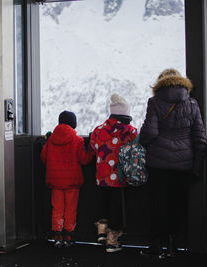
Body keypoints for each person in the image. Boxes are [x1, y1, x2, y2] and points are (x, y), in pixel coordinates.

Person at [139, 68, 207, 258]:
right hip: (183, 164)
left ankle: (155, 245)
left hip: (158, 163)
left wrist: (143, 141)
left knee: (158, 204)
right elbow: (199, 136)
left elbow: (150, 133)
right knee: (177, 205)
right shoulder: (192, 103)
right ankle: (172, 245)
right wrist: (197, 164)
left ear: (160, 84)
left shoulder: (155, 102)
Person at [90, 93, 138, 252]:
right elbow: (135, 152)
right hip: (119, 177)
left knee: (104, 203)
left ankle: (101, 232)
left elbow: (92, 148)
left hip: (101, 176)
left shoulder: (98, 130)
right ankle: (112, 241)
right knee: (117, 208)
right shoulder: (130, 132)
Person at [41, 110, 93, 248]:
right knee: (70, 209)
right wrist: (91, 150)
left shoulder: (51, 139)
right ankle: (69, 235)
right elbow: (84, 159)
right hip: (72, 182)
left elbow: (44, 157)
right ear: (73, 124)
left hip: (56, 181)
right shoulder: (78, 140)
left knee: (57, 208)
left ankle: (57, 235)